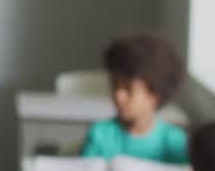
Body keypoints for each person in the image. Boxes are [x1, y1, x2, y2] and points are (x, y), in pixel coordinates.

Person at [81, 33, 189, 164]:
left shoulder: (174, 142)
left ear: (155, 94)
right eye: (115, 85)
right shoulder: (100, 134)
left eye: (128, 89)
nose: (118, 96)